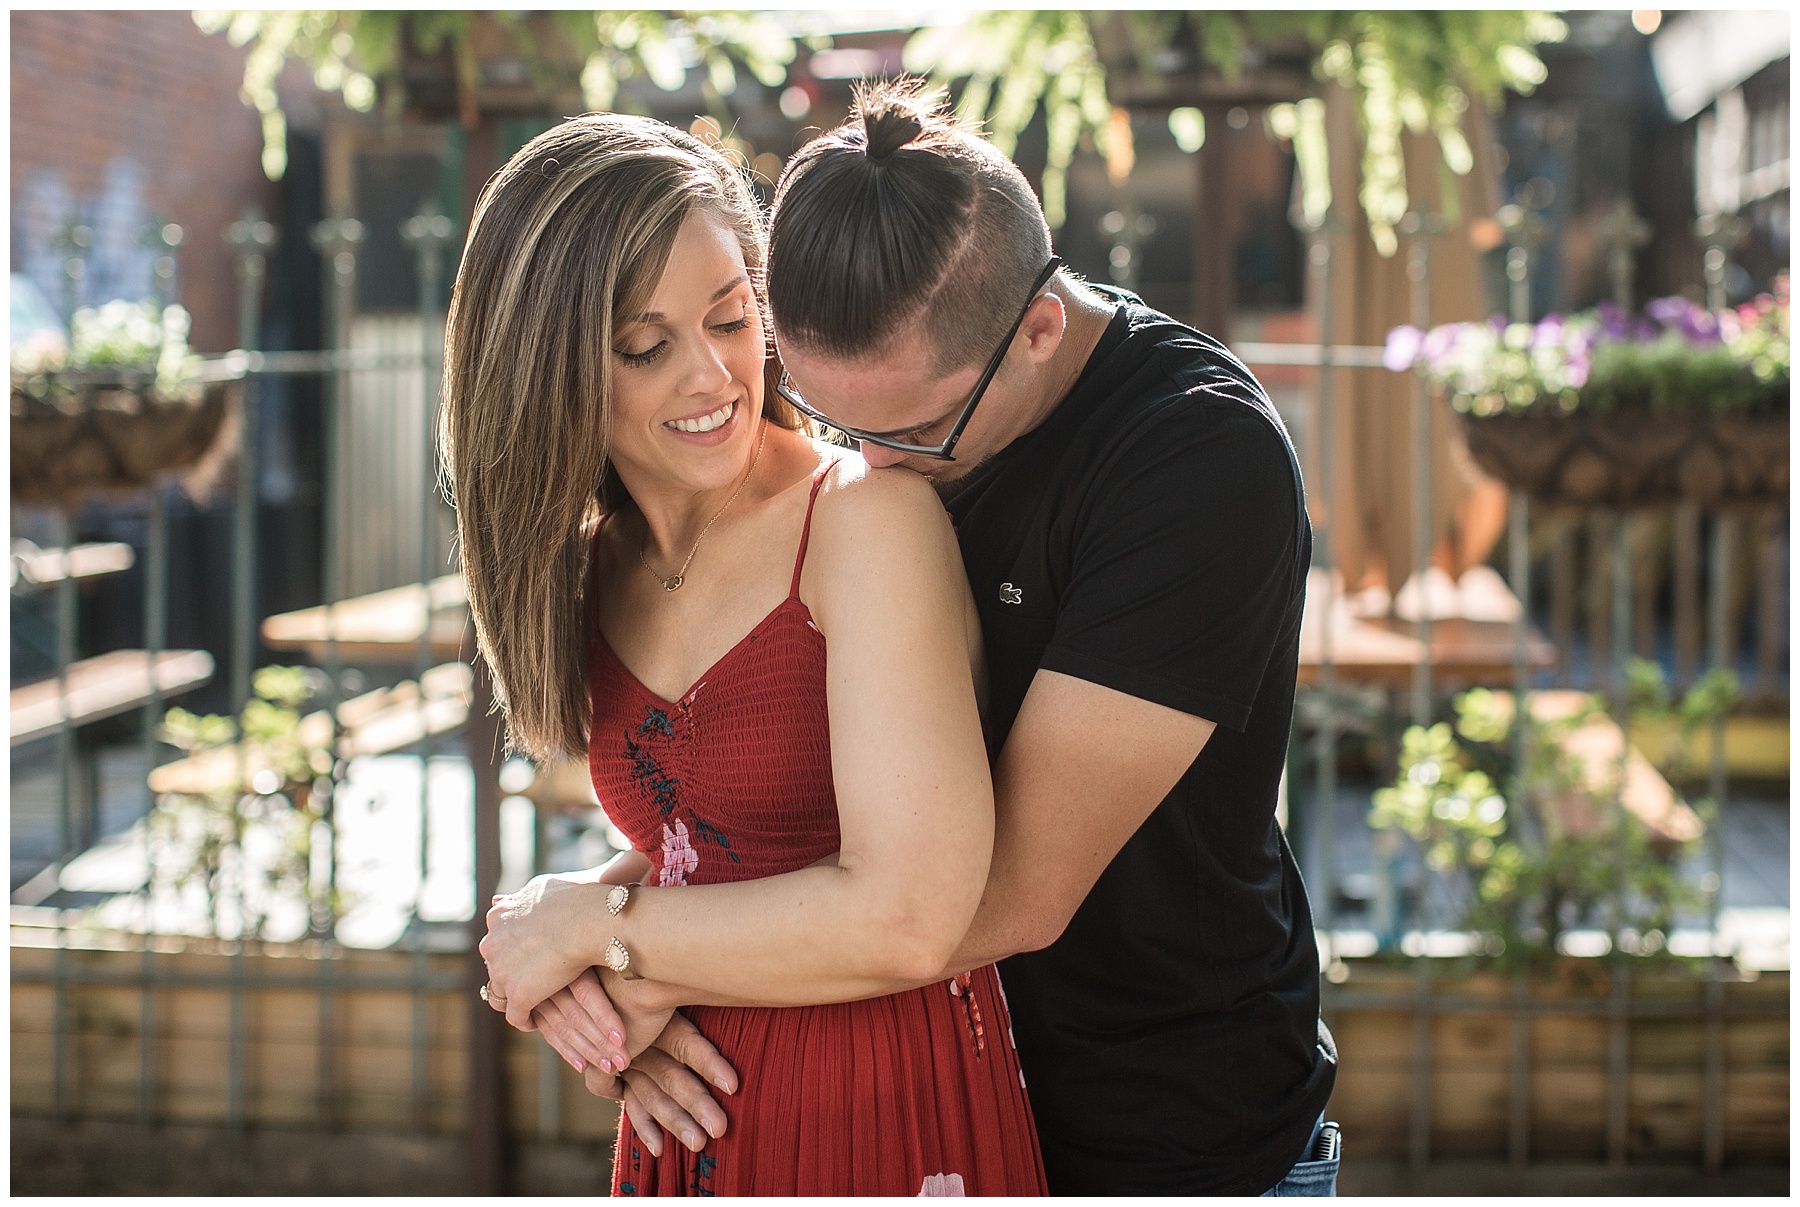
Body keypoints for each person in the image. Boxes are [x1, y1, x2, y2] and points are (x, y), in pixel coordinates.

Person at [568, 80, 1342, 1196]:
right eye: (837, 422)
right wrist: (606, 948)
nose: (871, 469)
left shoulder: (1197, 462)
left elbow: (985, 891)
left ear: (1037, 328)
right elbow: (780, 821)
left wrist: (624, 950)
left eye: (913, 430)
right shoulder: (904, 429)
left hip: (1159, 1135)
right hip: (926, 1115)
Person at [450, 113, 1046, 1195]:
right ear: (547, 369)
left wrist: (590, 929)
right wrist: (569, 983)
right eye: (646, 346)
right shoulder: (589, 572)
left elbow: (912, 915)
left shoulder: (864, 519)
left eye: (732, 317)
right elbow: (708, 848)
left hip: (884, 1111)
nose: (711, 375)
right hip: (684, 1123)